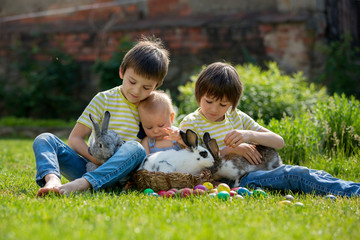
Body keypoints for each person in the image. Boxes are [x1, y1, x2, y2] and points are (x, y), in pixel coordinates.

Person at [179, 62, 360, 197]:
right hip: (237, 180)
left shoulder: (236, 116)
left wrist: (248, 135)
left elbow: (278, 142)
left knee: (308, 173)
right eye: (208, 101)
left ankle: (351, 188)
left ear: (232, 104)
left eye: (223, 104)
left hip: (258, 169)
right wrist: (231, 150)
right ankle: (354, 192)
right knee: (295, 175)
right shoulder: (191, 124)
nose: (213, 109)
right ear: (198, 95)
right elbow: (191, 167)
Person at [33, 36, 170, 196]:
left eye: (146, 87)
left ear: (156, 86)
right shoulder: (103, 99)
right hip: (90, 166)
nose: (136, 91)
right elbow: (75, 139)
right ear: (121, 72)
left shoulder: (151, 107)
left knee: (136, 148)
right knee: (44, 139)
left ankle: (84, 184)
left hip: (122, 178)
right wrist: (95, 160)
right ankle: (52, 181)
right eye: (132, 82)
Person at [138, 90, 184, 155]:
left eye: (161, 125)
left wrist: (181, 140)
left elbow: (190, 152)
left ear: (171, 118)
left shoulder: (177, 135)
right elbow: (146, 162)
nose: (156, 131)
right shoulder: (147, 142)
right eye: (149, 127)